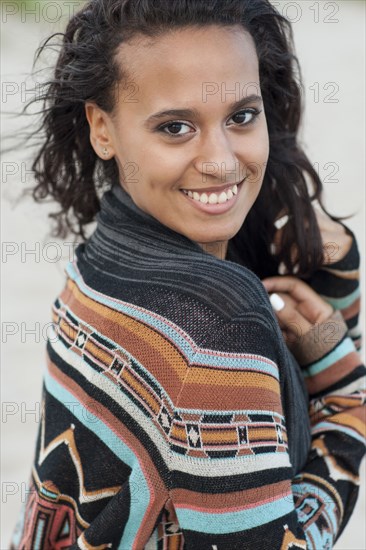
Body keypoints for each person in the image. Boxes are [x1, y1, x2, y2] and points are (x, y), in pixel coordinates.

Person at [9, 0, 365, 548]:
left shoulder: (101, 256)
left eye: (241, 116)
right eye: (175, 127)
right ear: (102, 129)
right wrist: (346, 394)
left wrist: (340, 261)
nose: (221, 161)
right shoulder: (220, 325)